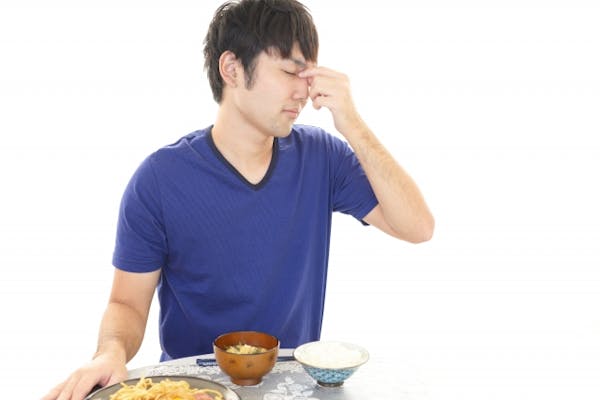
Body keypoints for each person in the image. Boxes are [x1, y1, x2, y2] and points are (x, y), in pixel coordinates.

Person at [43, 0, 434, 399]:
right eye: (290, 72)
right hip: (191, 388)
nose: (305, 91)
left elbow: (417, 227)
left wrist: (352, 123)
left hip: (292, 387)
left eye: (309, 75)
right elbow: (126, 303)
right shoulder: (159, 179)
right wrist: (109, 353)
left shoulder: (322, 157)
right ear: (231, 68)